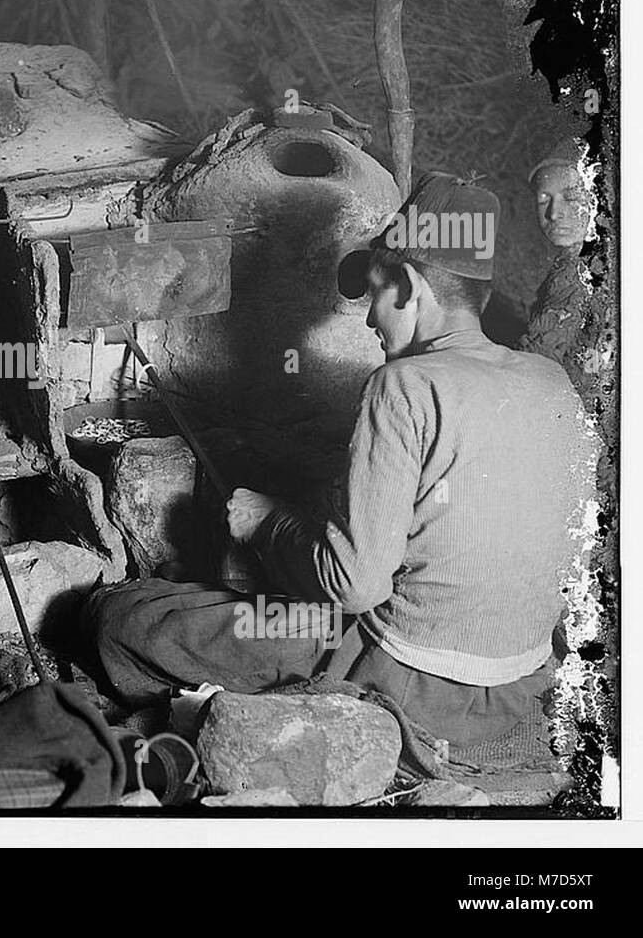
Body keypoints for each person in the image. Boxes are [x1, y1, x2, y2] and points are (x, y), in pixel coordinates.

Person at [83, 173, 595, 756]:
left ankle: (227, 718)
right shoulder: (547, 380)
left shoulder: (402, 384)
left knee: (129, 619)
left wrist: (267, 521)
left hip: (412, 678)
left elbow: (356, 586)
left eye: (375, 295)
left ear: (408, 288)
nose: (371, 320)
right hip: (519, 684)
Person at [519, 137, 602, 407]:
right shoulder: (588, 258)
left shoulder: (580, 271)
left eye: (571, 197)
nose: (554, 213)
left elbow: (537, 361)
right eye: (544, 199)